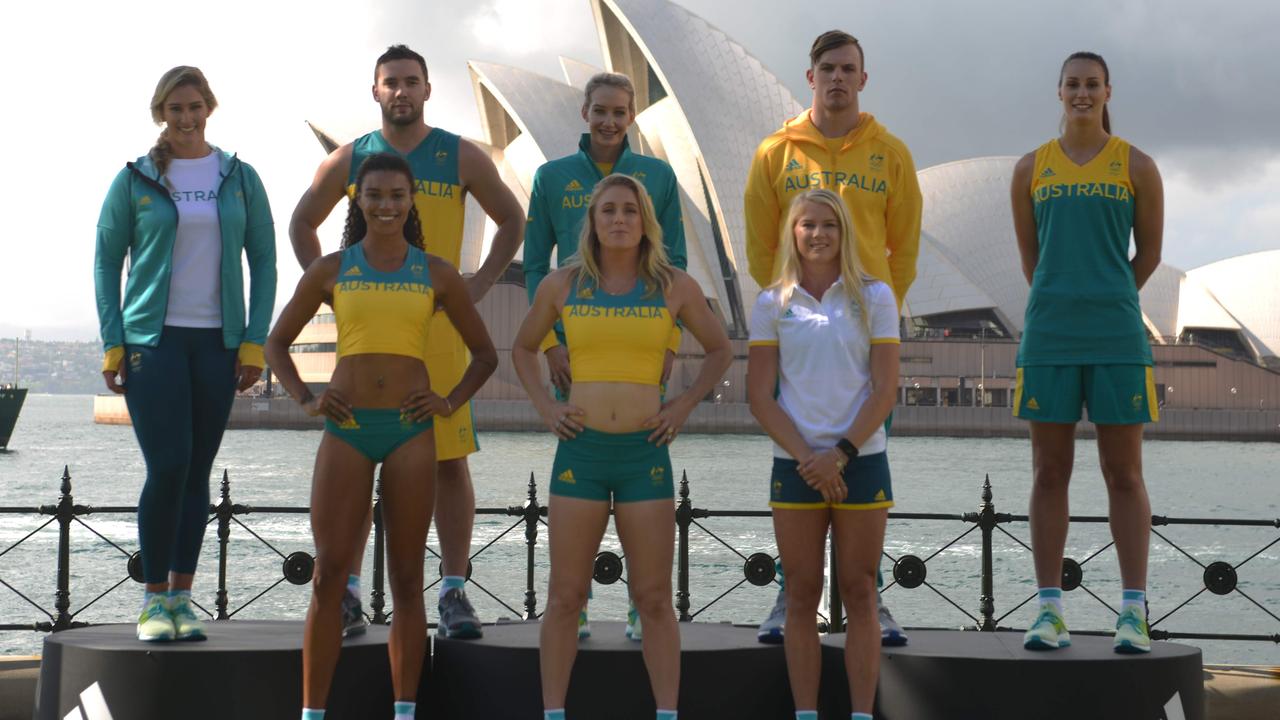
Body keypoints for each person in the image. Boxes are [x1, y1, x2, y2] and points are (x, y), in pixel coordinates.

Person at [289, 44, 524, 640]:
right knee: (362, 462)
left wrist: (482, 282)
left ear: (426, 90)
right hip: (376, 340)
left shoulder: (459, 154)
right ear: (375, 91)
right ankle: (343, 592)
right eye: (390, 82)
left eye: (411, 81)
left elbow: (512, 220)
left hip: (439, 332)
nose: (401, 91)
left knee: (449, 464)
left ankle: (452, 591)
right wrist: (332, 291)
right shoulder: (349, 159)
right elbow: (300, 223)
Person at [267, 153, 497, 720]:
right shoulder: (329, 268)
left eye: (397, 195)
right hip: (345, 429)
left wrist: (447, 403)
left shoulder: (437, 272)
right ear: (358, 200)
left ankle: (404, 710)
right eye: (374, 195)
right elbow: (277, 344)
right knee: (326, 577)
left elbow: (486, 355)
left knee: (407, 580)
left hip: (409, 431)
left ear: (411, 199)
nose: (386, 205)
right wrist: (306, 398)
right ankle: (312, 712)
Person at [513, 174, 731, 720]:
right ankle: (553, 711)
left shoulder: (673, 285)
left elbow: (720, 349)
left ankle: (666, 713)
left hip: (643, 455)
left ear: (644, 222)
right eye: (607, 210)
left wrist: (681, 407)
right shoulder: (562, 285)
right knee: (566, 597)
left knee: (655, 599)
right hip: (581, 454)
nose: (618, 219)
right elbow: (521, 347)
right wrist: (547, 407)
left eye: (629, 211)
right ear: (592, 221)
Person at [743, 29, 921, 646]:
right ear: (810, 76)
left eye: (849, 68)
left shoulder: (891, 153)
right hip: (797, 332)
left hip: (864, 334)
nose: (838, 78)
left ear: (863, 79)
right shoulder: (776, 153)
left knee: (865, 458)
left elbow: (905, 252)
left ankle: (870, 600)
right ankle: (792, 600)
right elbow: (761, 245)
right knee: (796, 463)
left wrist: (878, 320)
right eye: (828, 68)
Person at [94, 66, 276, 643]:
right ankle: (151, 603)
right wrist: (113, 343)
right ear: (160, 114)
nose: (186, 117)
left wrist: (253, 341)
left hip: (217, 344)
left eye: (195, 106)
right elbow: (105, 261)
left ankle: (181, 598)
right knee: (167, 465)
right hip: (154, 342)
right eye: (175, 108)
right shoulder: (135, 179)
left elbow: (265, 262)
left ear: (209, 108)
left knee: (197, 471)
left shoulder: (239, 177)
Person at [523, 70, 687, 641]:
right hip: (574, 341)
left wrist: (670, 342)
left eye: (620, 111)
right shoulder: (550, 176)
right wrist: (550, 344)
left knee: (645, 438)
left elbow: (678, 264)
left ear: (633, 115)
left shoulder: (658, 176)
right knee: (578, 444)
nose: (609, 121)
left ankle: (646, 602)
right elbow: (535, 263)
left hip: (642, 337)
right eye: (600, 111)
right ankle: (578, 599)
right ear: (584, 112)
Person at [1011, 51, 1163, 654]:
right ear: (1058, 91)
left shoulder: (1138, 165)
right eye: (1072, 84)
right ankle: (1049, 611)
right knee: (1049, 472)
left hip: (1117, 335)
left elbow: (1147, 256)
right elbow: (1030, 260)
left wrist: (1107, 297)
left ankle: (1133, 611)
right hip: (1048, 334)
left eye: (1091, 85)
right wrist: (1063, 299)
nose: (1082, 93)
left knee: (1123, 473)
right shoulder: (1030, 169)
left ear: (1107, 92)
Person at [748, 189, 898, 720]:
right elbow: (759, 395)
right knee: (801, 593)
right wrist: (811, 458)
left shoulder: (876, 297)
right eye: (807, 224)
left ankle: (861, 713)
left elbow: (884, 390)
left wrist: (840, 453)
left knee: (860, 591)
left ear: (844, 233)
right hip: (796, 464)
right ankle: (806, 713)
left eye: (829, 225)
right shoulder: (772, 303)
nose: (818, 234)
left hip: (860, 460)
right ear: (793, 232)